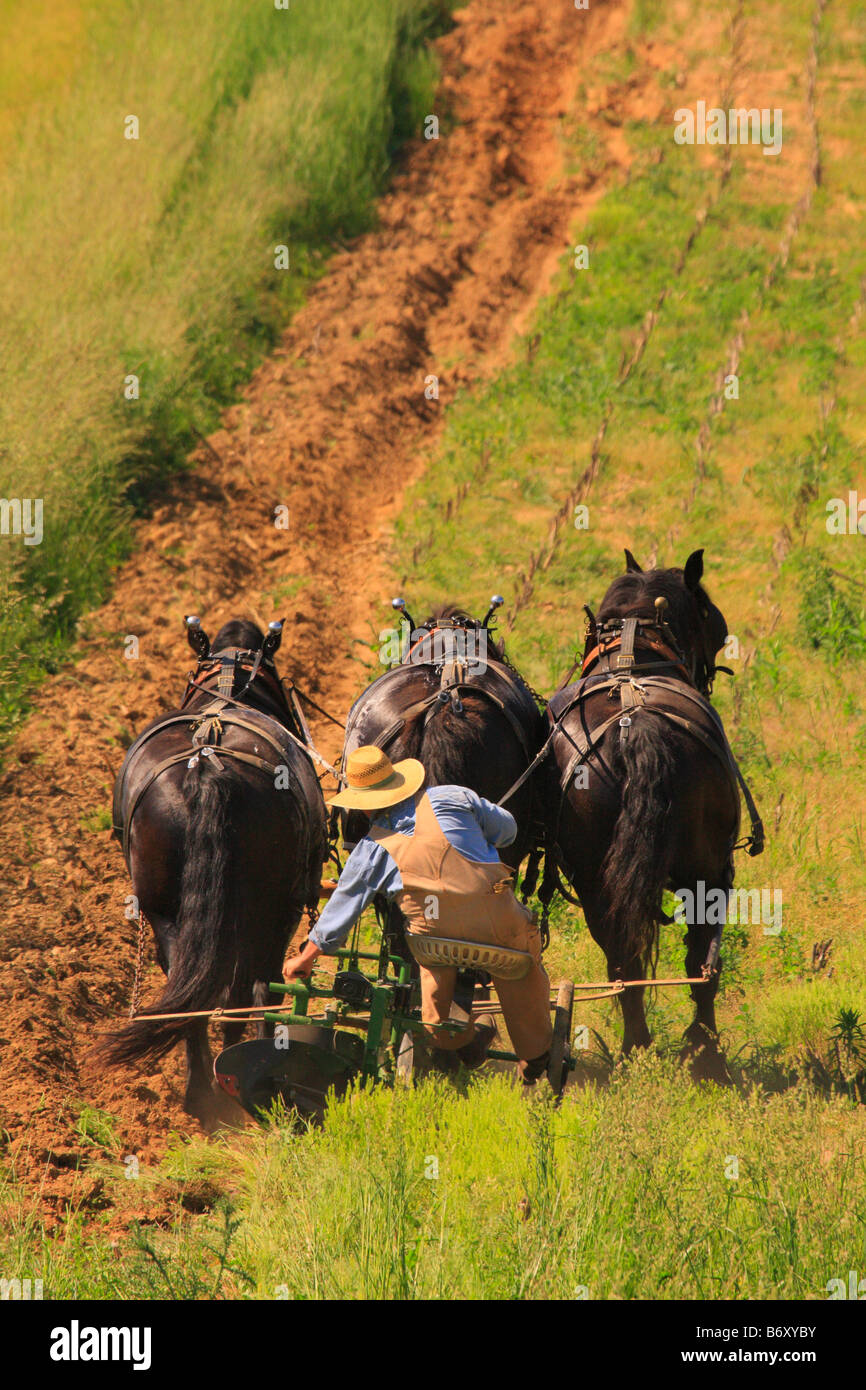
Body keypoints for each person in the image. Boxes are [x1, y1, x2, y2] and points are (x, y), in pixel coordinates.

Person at [284, 745, 553, 1082]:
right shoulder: (452, 797)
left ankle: (469, 1041)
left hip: (437, 945)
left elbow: (343, 909)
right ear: (399, 781)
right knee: (521, 980)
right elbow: (508, 831)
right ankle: (536, 1057)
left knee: (436, 1023)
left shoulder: (371, 849)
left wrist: (305, 958)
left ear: (364, 807)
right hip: (500, 931)